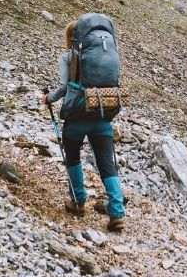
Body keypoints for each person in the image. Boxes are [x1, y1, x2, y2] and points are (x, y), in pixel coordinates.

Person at [43, 14, 126, 232]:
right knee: (107, 163)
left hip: (77, 115)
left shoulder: (68, 57)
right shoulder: (107, 51)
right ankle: (116, 213)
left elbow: (63, 88)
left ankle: (78, 201)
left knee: (72, 156)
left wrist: (48, 99)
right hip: (102, 113)